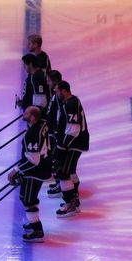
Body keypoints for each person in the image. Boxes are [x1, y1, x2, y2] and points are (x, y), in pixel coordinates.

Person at [9, 106, 52, 242]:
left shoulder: (32, 133)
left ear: (33, 117)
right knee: (29, 198)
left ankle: (37, 230)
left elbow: (33, 161)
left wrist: (16, 170)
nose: (23, 113)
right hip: (44, 167)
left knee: (28, 200)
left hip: (35, 172)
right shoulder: (42, 124)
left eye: (26, 112)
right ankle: (34, 223)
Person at [52, 80, 88, 217]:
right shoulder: (71, 101)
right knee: (68, 171)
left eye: (56, 91)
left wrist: (61, 146)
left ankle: (70, 205)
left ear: (63, 90)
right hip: (75, 143)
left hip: (75, 144)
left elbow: (73, 130)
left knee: (63, 173)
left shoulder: (70, 104)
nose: (55, 93)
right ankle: (73, 200)